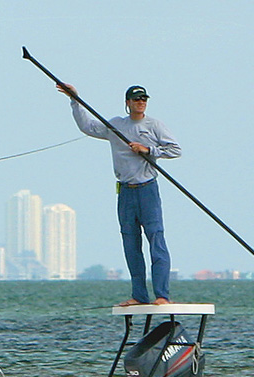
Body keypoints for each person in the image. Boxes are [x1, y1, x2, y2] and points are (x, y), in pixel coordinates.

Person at [58, 83, 181, 307]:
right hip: (125, 191)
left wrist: (148, 150)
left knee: (156, 239)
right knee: (130, 243)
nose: (140, 102)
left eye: (144, 99)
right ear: (127, 103)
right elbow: (88, 127)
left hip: (147, 190)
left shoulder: (155, 125)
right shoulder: (116, 124)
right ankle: (139, 295)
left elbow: (175, 150)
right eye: (136, 99)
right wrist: (75, 100)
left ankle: (162, 295)